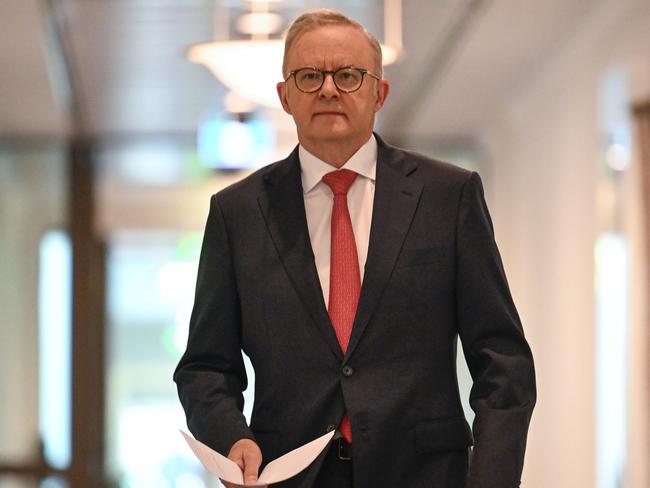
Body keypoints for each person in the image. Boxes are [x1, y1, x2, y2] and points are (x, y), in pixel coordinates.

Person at [174, 8, 536, 488]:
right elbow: (205, 367)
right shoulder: (236, 213)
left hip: (426, 474)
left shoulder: (448, 196)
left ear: (379, 93)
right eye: (309, 76)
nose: (328, 89)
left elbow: (503, 361)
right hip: (289, 475)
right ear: (283, 96)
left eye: (347, 75)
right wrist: (231, 437)